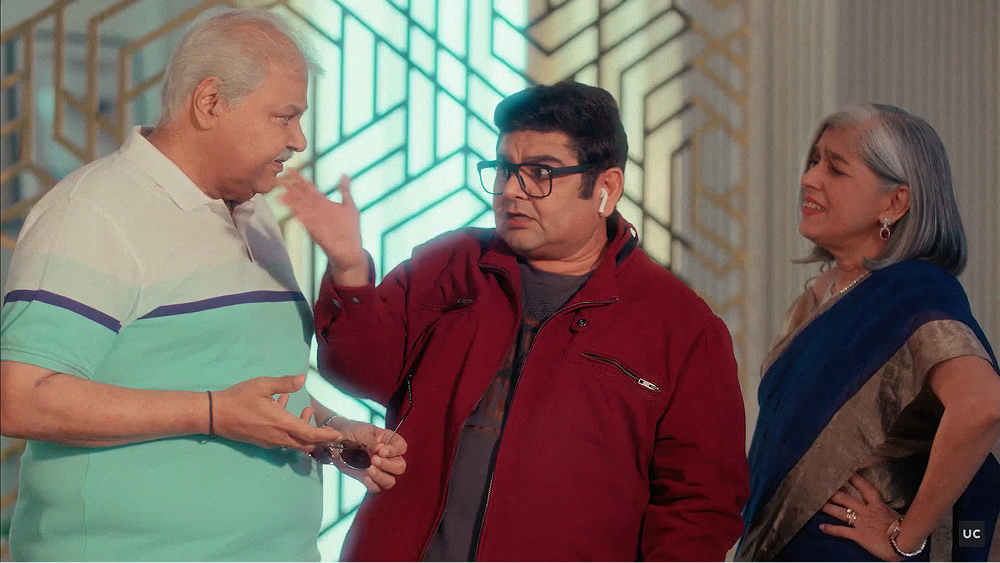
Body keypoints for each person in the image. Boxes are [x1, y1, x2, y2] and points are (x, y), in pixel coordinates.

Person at [280, 80, 749, 561]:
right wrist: (349, 268)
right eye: (504, 168)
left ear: (605, 187)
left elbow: (700, 504)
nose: (509, 190)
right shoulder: (451, 264)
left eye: (539, 173)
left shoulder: (681, 325)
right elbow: (359, 372)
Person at [0, 9, 405, 561]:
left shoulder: (254, 215)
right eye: (284, 117)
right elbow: (20, 399)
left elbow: (240, 383)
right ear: (210, 102)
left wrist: (333, 433)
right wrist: (211, 413)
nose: (298, 140)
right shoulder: (92, 213)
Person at [737, 104, 1000, 561]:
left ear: (894, 203)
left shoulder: (913, 291)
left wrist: (905, 538)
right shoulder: (820, 295)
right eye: (814, 161)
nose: (809, 179)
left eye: (835, 169)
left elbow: (982, 405)